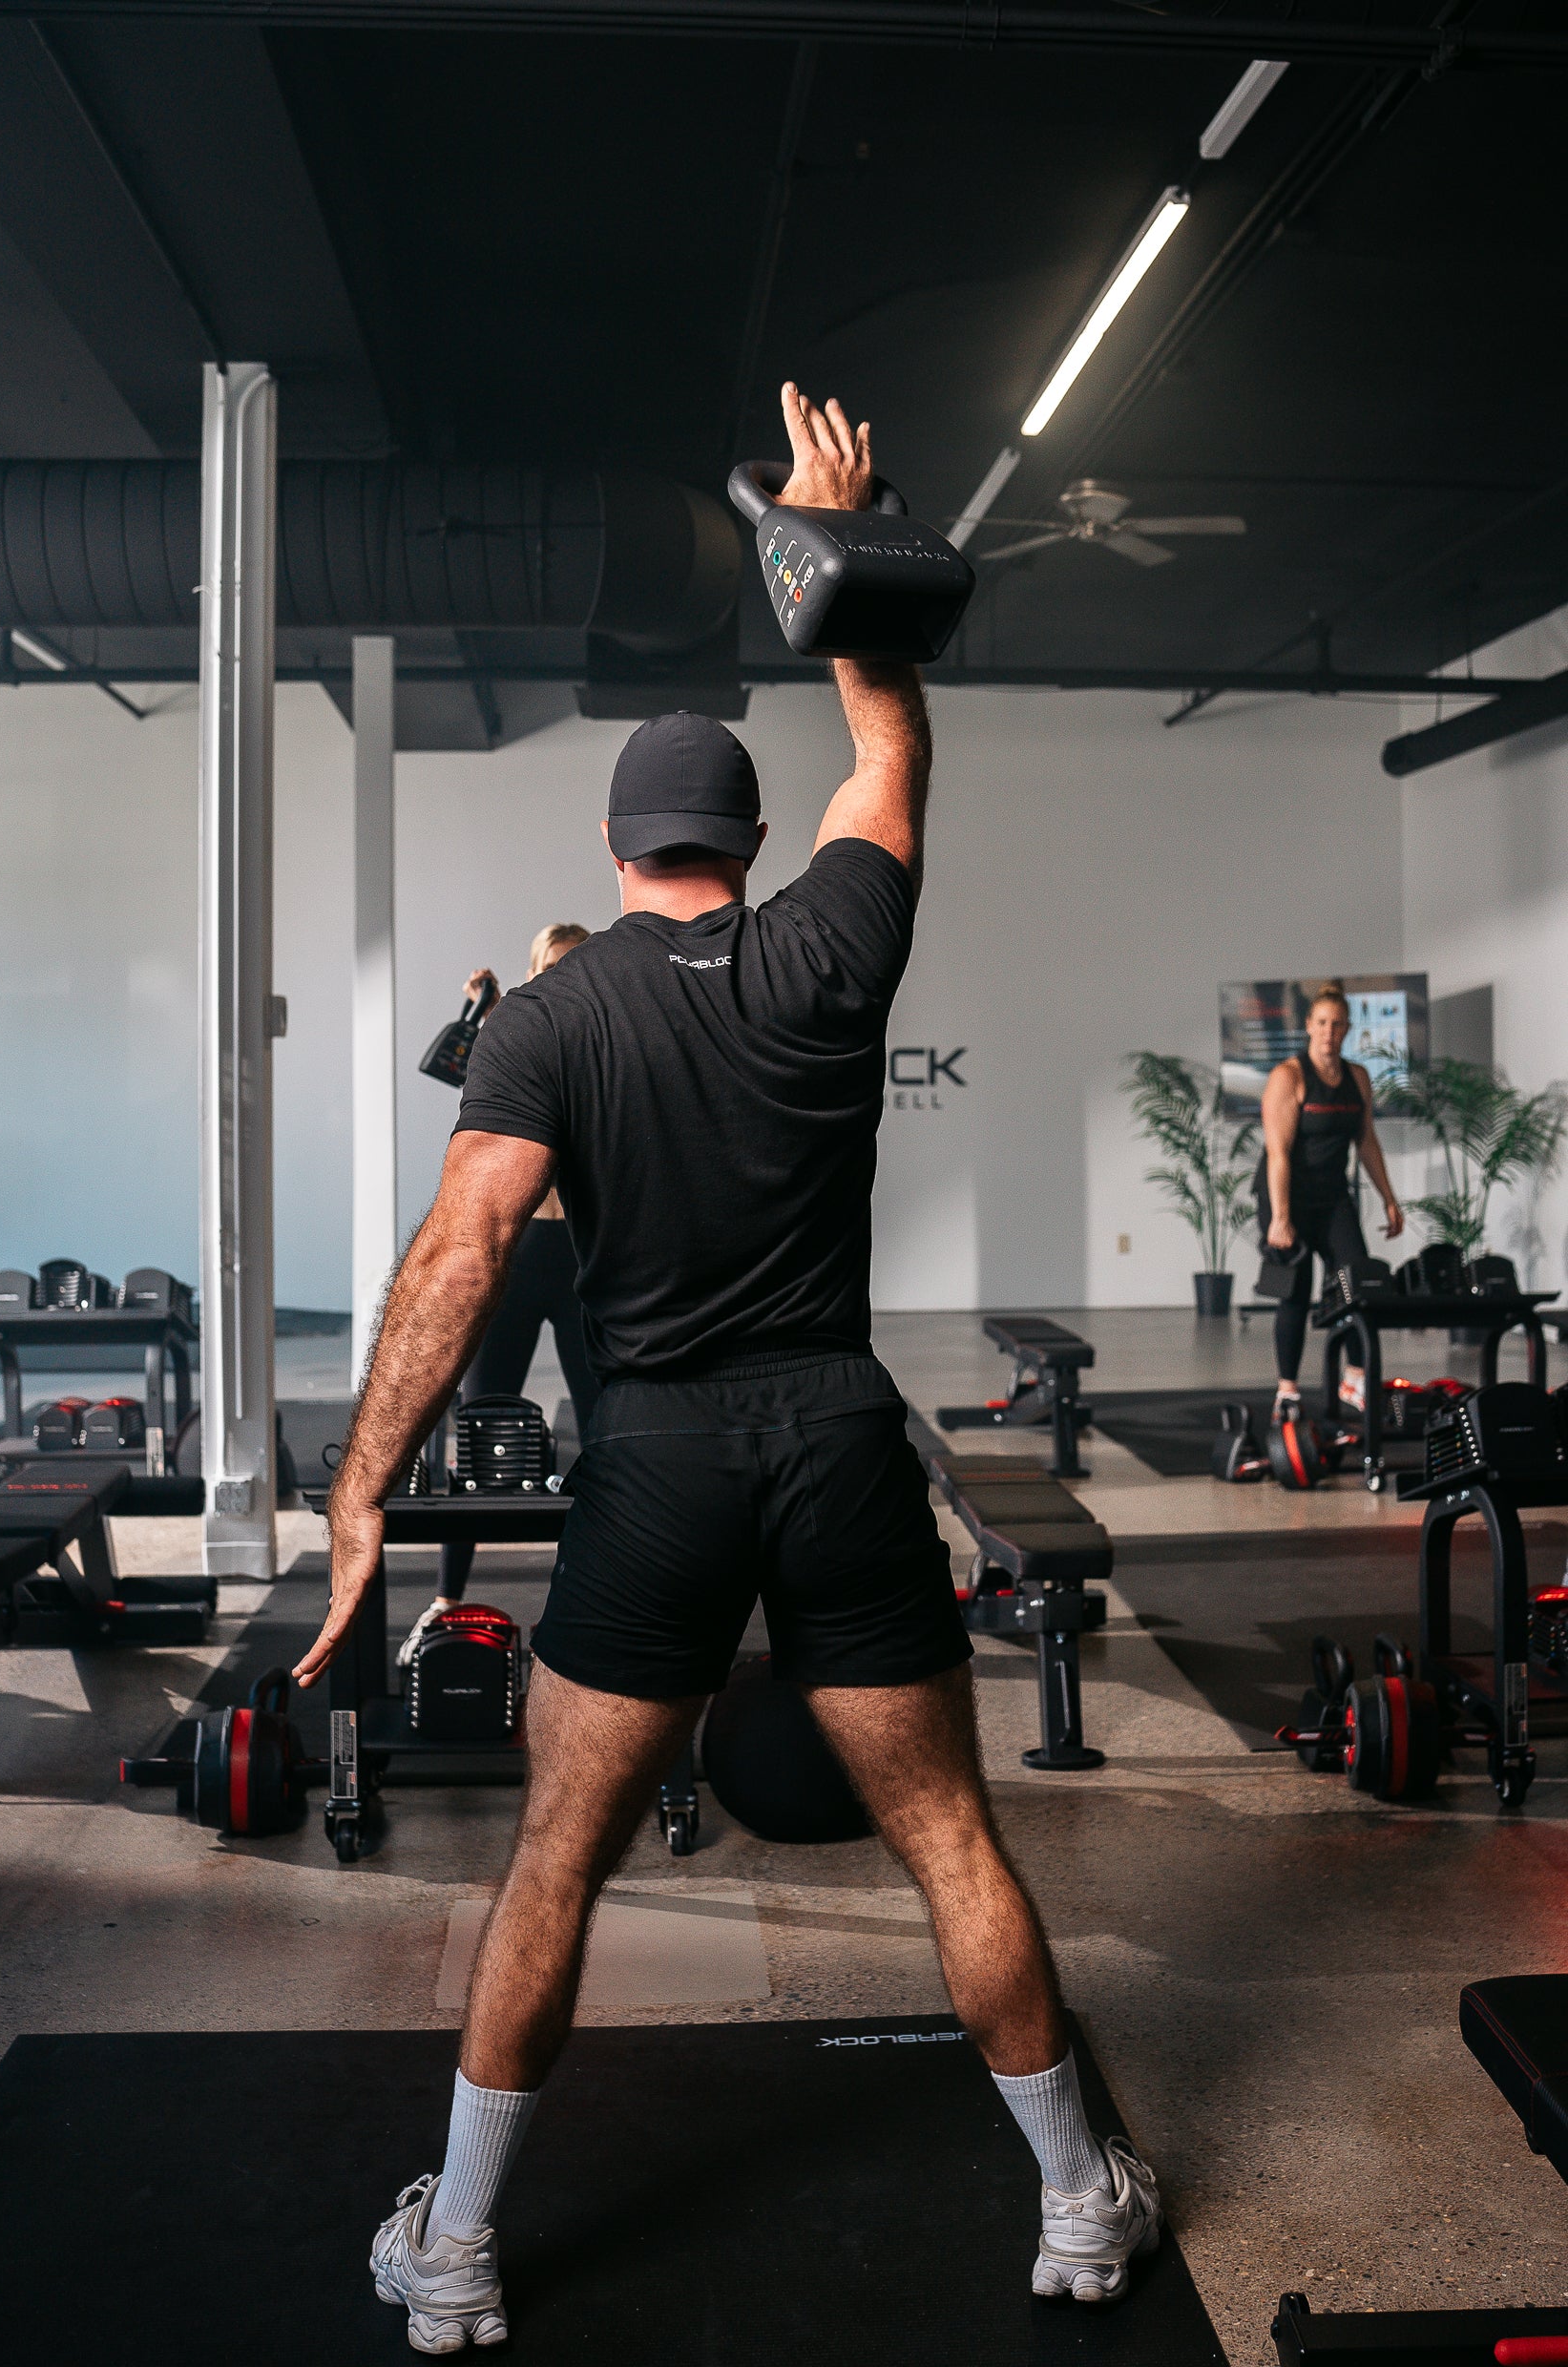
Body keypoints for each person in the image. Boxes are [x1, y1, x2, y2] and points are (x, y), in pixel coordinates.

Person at [296, 383, 1160, 2354]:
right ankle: (1082, 2205)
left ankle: (459, 2251)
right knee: (953, 1834)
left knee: (557, 1862)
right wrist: (828, 544)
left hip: (663, 1457)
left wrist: (359, 1495)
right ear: (753, 841)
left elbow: (460, 1255)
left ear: (616, 848)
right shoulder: (837, 935)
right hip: (837, 1428)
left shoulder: (549, 1014)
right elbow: (890, 734)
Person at [400, 925, 600, 1663]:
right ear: (534, 974)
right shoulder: (511, 1045)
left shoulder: (602, 1047)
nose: (566, 978)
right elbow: (443, 1066)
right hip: (515, 1262)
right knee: (478, 1428)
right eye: (553, 968)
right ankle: (447, 1596)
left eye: (578, 967)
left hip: (582, 1261)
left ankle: (609, 1590)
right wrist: (481, 1011)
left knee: (609, 1427)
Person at [1258, 983, 1403, 1422]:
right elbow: (1278, 1154)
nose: (1329, 1031)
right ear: (1308, 1027)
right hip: (1287, 1197)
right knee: (1296, 1294)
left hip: (1333, 1196)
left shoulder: (1357, 1077)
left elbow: (1367, 1141)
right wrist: (1280, 1218)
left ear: (1347, 1030)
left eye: (1337, 1024)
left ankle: (1354, 1379)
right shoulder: (1289, 1077)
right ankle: (1288, 1390)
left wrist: (1390, 1199)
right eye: (1321, 1023)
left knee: (1357, 1284)